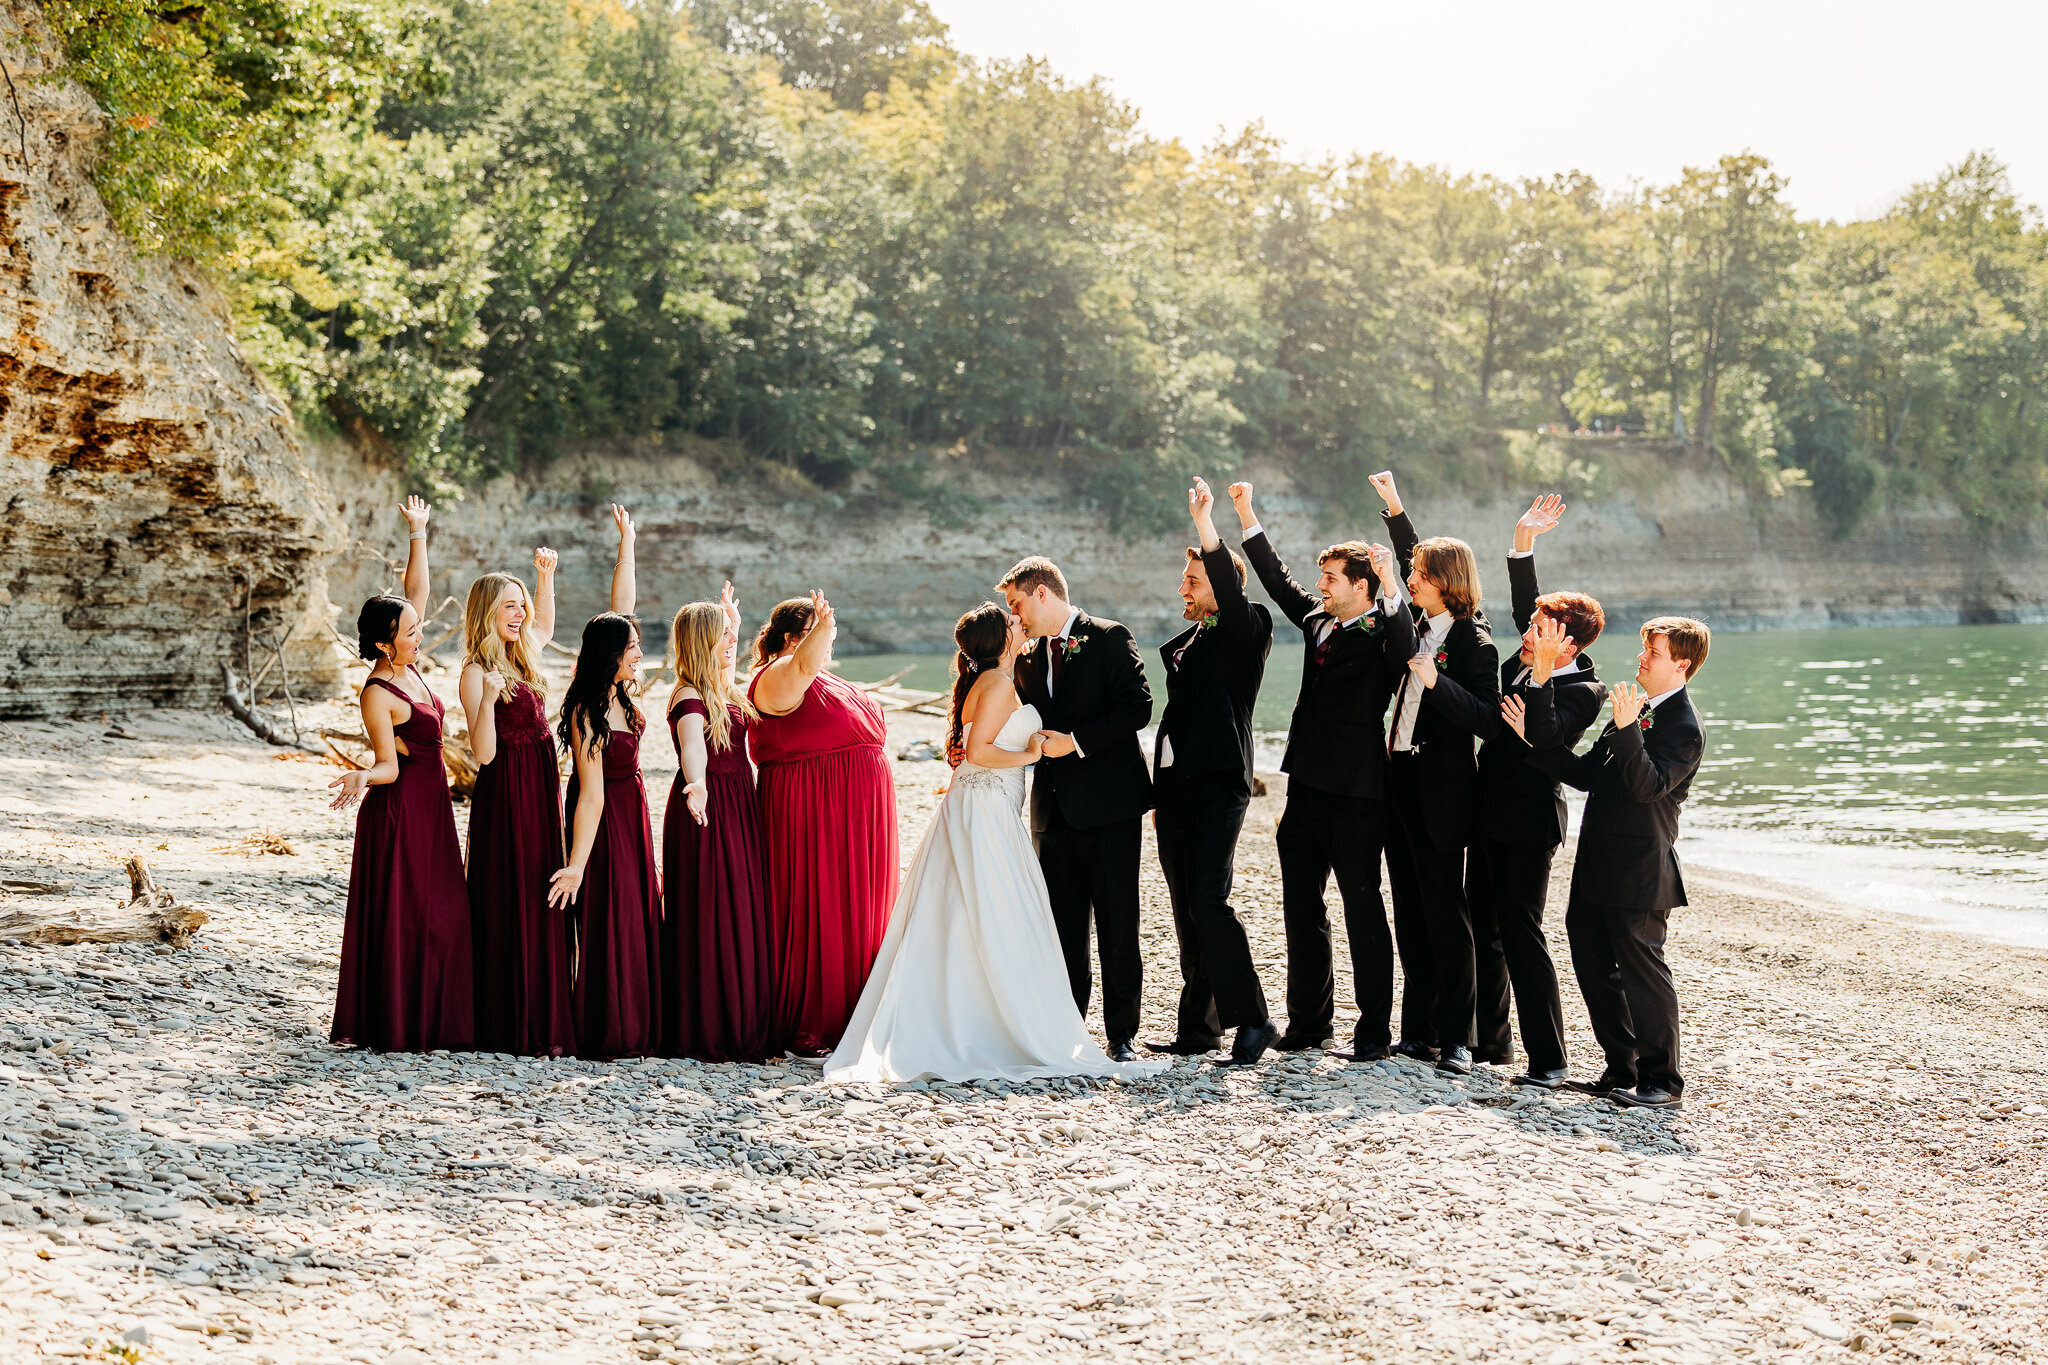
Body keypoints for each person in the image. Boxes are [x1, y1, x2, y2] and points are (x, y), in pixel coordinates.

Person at [826, 605, 1167, 1084]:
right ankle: (994, 1019)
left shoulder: (1003, 674)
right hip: (989, 810)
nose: (1019, 623)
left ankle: (1035, 1018)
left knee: (975, 910)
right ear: (1001, 640)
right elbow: (984, 749)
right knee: (992, 910)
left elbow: (977, 741)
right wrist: (1030, 753)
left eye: (1018, 612)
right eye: (1011, 622)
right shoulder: (1002, 681)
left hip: (1003, 806)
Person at [1406, 494, 1607, 1089]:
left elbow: (1544, 737)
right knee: (1482, 928)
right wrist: (1523, 540)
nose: (1528, 632)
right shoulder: (1527, 656)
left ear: (1569, 645)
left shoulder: (1583, 691)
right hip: (1486, 812)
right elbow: (1526, 603)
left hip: (1528, 823)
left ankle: (1549, 1059)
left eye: (1542, 631)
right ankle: (1493, 1044)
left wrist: (1541, 680)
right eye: (1531, 626)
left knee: (1522, 935)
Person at [1229, 482, 1413, 1060]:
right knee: (1300, 902)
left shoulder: (1387, 632)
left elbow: (1410, 637)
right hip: (1305, 785)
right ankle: (1309, 1024)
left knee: (1362, 906)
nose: (1321, 587)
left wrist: (1391, 579)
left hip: (1359, 792)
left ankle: (1374, 1031)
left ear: (1362, 586)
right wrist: (1246, 515)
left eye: (1332, 578)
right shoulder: (1315, 622)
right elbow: (1277, 579)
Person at [1504, 616, 1710, 1109]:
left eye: (1653, 653)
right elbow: (1583, 775)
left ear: (1681, 664)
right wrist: (1532, 739)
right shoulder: (1634, 710)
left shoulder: (1684, 727)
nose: (1641, 658)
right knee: (1594, 968)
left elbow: (1647, 786)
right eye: (1644, 650)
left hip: (1641, 872)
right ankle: (1623, 1069)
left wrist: (1624, 729)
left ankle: (1663, 1082)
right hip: (1596, 863)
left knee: (1645, 974)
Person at [460, 505, 634, 1058]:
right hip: (504, 789)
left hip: (539, 783)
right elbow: (483, 755)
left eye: (521, 606)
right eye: (508, 606)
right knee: (510, 892)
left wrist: (545, 578)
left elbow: (548, 625)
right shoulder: (474, 670)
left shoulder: (524, 654)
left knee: (542, 889)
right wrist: (486, 699)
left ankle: (547, 1012)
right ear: (487, 612)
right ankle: (510, 1021)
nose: (519, 614)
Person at [327, 496, 476, 1052]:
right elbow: (389, 762)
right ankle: (398, 1022)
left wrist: (418, 533)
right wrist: (363, 775)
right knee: (414, 915)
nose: (420, 633)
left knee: (446, 913)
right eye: (411, 633)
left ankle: (439, 1019)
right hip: (401, 811)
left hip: (433, 807)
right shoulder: (378, 694)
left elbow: (416, 596)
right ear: (385, 643)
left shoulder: (407, 663)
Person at [1371, 472, 1500, 1076]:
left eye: (1421, 575)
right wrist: (1395, 509)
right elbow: (1406, 560)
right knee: (1409, 910)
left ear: (1445, 583)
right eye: (1412, 574)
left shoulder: (1475, 641)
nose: (1409, 579)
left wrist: (1436, 683)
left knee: (1447, 916)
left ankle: (1458, 1037)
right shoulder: (1419, 626)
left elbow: (1488, 721)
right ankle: (1417, 1029)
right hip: (1397, 783)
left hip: (1445, 793)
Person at [1146, 478, 1278, 1066]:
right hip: (1175, 787)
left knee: (1209, 899)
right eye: (1185, 580)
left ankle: (1254, 1021)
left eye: (1193, 581)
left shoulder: (1248, 629)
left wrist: (1206, 522)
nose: (1185, 589)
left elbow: (1225, 577)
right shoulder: (1189, 641)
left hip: (1221, 782)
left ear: (1223, 589)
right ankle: (1198, 1029)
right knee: (1184, 903)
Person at [1001, 558, 1154, 1063]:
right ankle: (1068, 1027)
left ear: (1042, 594)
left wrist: (1077, 742)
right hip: (1051, 810)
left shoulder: (1109, 636)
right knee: (1062, 924)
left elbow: (1138, 707)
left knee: (1117, 922)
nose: (1015, 618)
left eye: (1018, 605)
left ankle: (1122, 1034)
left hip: (1110, 807)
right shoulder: (1023, 657)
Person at [749, 592, 898, 1056]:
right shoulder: (777, 676)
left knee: (862, 911)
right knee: (820, 905)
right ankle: (813, 1020)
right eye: (823, 632)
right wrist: (821, 629)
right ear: (795, 638)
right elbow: (799, 670)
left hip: (859, 815)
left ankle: (858, 1012)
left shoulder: (830, 680)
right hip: (814, 811)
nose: (831, 639)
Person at [661, 585, 773, 1063]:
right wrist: (698, 784)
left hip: (737, 804)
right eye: (724, 636)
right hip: (704, 807)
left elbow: (728, 658)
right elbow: (692, 746)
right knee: (711, 912)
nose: (733, 642)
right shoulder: (688, 695)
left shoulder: (723, 686)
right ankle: (708, 1027)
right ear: (702, 642)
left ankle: (744, 1017)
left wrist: (731, 619)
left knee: (741, 908)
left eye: (733, 635)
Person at [549, 611, 662, 1060]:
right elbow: (590, 795)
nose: (639, 653)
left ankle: (643, 1023)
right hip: (604, 824)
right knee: (610, 920)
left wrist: (628, 542)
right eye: (632, 646)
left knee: (636, 916)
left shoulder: (620, 697)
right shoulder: (585, 710)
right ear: (610, 654)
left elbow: (624, 601)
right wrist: (576, 865)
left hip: (632, 817)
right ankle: (612, 1029)